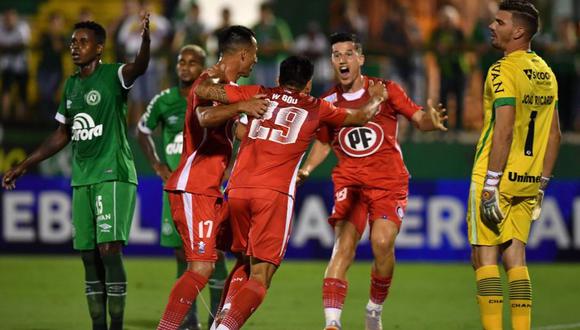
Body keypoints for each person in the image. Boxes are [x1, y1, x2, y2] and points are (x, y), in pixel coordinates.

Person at [193, 54, 388, 330]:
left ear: (277, 79)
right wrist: (378, 98)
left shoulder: (257, 92)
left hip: (236, 189)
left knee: (243, 261)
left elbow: (203, 91)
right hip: (272, 195)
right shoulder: (317, 107)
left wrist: (213, 76)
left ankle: (221, 320)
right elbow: (360, 117)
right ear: (308, 85)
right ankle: (226, 328)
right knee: (261, 276)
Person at [2, 17, 150, 330]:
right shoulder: (71, 85)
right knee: (87, 254)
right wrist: (22, 166)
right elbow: (61, 134)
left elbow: (139, 66)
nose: (75, 47)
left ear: (99, 48)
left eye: (82, 42)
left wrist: (146, 40)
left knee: (108, 249)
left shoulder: (114, 74)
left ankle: (116, 325)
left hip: (113, 172)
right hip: (82, 178)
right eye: (73, 42)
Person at [296, 32, 448, 330]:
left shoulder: (386, 90)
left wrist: (433, 122)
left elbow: (419, 119)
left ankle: (374, 309)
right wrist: (306, 170)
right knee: (343, 247)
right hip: (350, 184)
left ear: (361, 59)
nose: (342, 59)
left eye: (348, 54)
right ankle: (332, 324)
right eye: (336, 54)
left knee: (381, 243)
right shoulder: (327, 101)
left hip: (388, 183)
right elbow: (325, 142)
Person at [156, 25, 268, 330]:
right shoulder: (211, 80)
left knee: (243, 252)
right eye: (253, 56)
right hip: (194, 188)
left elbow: (238, 131)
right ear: (243, 54)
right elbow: (204, 117)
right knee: (201, 267)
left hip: (212, 191)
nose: (254, 63)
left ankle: (222, 322)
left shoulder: (227, 87)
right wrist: (243, 105)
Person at [466, 1, 560, 329]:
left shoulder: (501, 70)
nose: (492, 26)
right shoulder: (546, 72)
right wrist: (542, 185)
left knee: (484, 258)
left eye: (499, 21)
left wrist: (491, 184)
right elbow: (555, 135)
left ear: (518, 31)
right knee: (516, 258)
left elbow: (503, 130)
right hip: (529, 179)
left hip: (496, 176)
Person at [0, 8, 30, 120]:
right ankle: (5, 118)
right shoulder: (1, 28)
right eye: (7, 18)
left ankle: (20, 120)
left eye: (11, 17)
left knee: (22, 94)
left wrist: (7, 47)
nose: (9, 20)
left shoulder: (22, 27)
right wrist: (12, 47)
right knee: (5, 92)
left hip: (21, 65)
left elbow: (22, 46)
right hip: (7, 65)